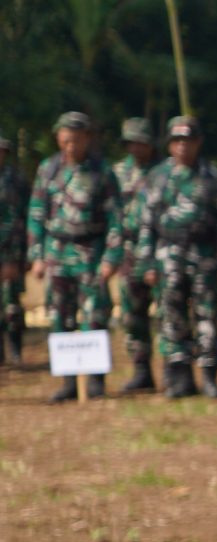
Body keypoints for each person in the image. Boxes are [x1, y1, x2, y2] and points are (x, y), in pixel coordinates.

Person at [135, 114, 217, 399]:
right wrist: (147, 263)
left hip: (204, 256)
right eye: (177, 141)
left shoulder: (213, 177)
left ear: (198, 143)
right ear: (169, 145)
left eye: (188, 141)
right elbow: (147, 223)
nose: (183, 147)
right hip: (168, 257)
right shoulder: (157, 177)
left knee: (207, 318)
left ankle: (209, 376)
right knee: (172, 318)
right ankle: (180, 379)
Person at [27, 110, 123, 402]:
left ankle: (94, 381)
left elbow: (116, 219)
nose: (71, 146)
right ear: (58, 139)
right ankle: (69, 381)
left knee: (95, 316)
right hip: (57, 253)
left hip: (90, 252)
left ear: (88, 140)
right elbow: (36, 213)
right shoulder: (48, 169)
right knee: (59, 317)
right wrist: (37, 255)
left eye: (77, 140)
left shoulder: (102, 172)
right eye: (66, 140)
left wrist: (111, 257)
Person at [110, 117, 158, 393]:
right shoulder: (116, 173)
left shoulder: (164, 171)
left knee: (169, 315)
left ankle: (178, 371)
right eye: (131, 143)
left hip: (160, 254)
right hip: (129, 254)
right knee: (132, 316)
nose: (136, 148)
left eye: (141, 142)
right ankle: (142, 371)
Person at [0, 132, 26, 369]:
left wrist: (17, 259)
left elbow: (23, 220)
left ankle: (16, 350)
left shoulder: (16, 180)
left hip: (10, 254)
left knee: (12, 306)